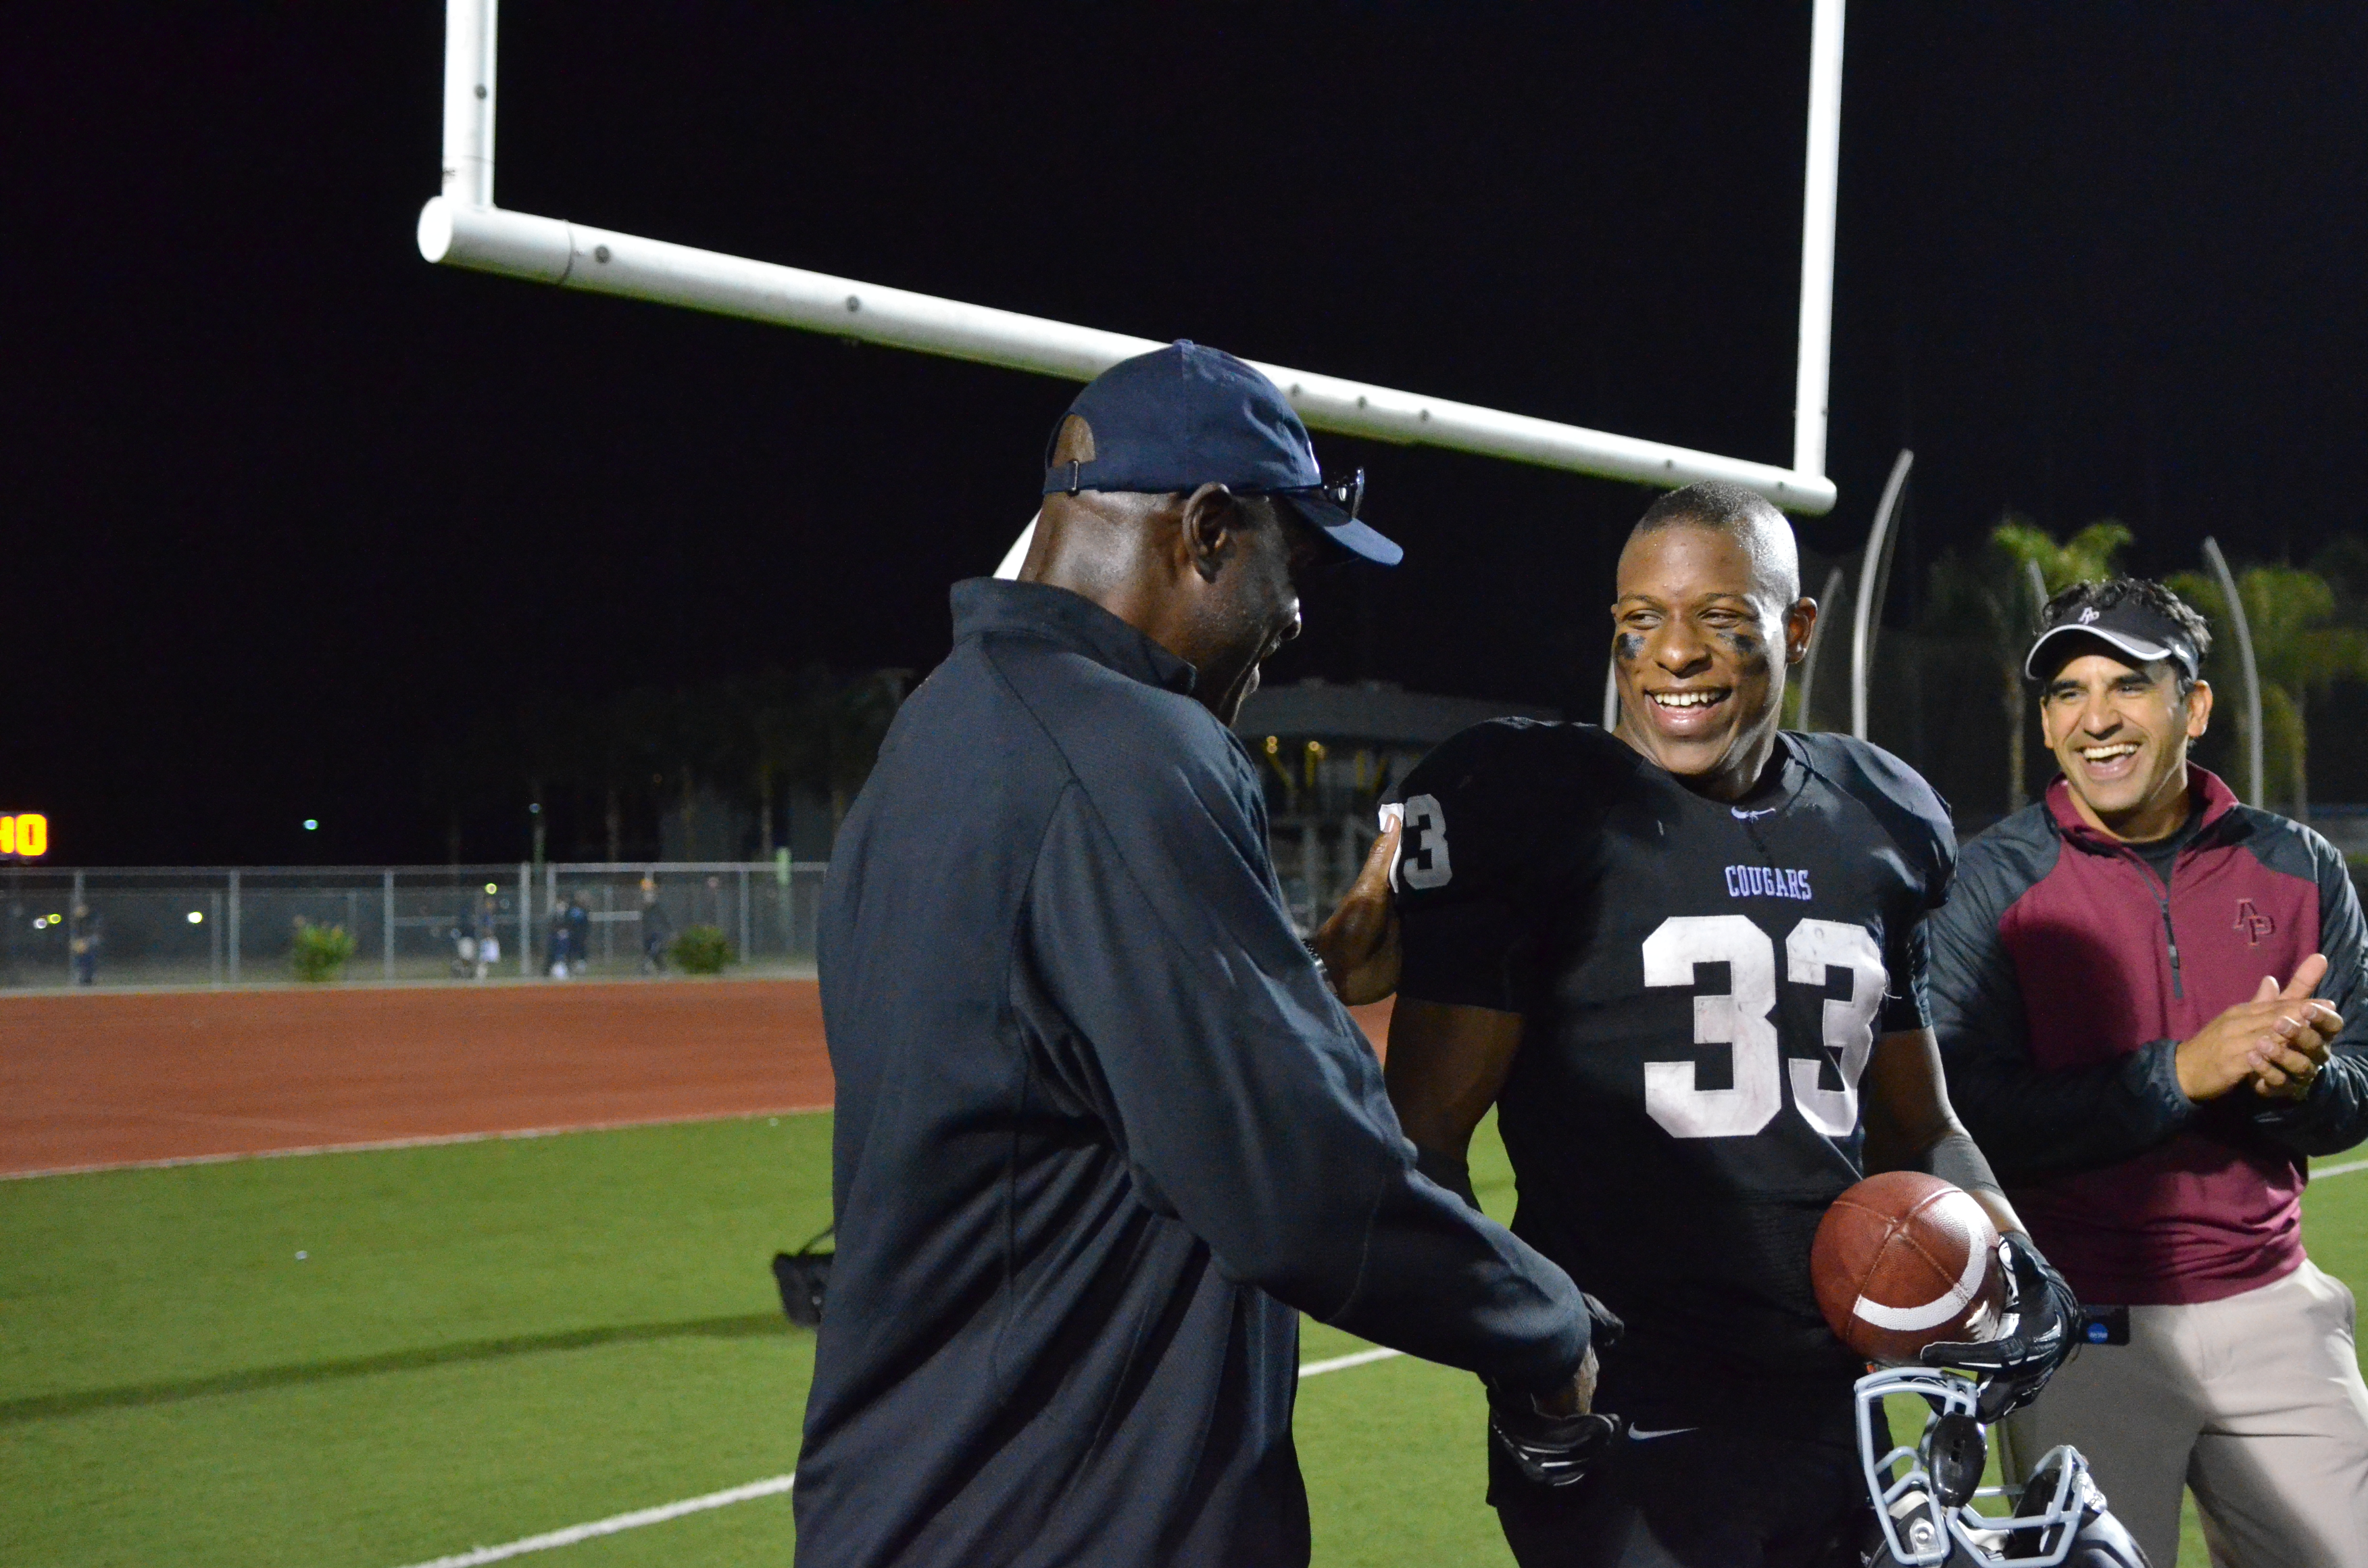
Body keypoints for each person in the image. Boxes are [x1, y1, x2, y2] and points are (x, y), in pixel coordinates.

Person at [795, 342, 1602, 1568]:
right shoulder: (1132, 750)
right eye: (1297, 561)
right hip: (1065, 1518)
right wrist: (1549, 1330)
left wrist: (1291, 974)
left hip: (921, 1498)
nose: (1294, 614)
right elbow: (1304, 1186)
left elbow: (1080, 1057)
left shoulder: (944, 729)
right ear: (1210, 528)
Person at [1383, 481, 2080, 1568]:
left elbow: (1918, 1123)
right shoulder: (1541, 807)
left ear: (1796, 629)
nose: (1672, 654)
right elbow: (1419, 1144)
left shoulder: (1878, 821)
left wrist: (2012, 1250)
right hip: (1625, 1414)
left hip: (1838, 1401)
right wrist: (1526, 1355)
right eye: (1638, 622)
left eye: (1717, 617)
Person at [1928, 577, 2368, 1568]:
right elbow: (1965, 1116)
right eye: (2065, 694)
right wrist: (2181, 1072)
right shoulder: (1992, 884)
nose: (2095, 719)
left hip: (2273, 1312)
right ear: (2043, 724)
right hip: (2084, 1334)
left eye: (2126, 685)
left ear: (2194, 706)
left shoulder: (2296, 866)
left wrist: (2302, 1086)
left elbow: (2359, 1090)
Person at [637, 877, 671, 973]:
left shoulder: (658, 907)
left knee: (654, 951)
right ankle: (662, 970)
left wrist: (669, 931)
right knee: (652, 952)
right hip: (648, 934)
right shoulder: (645, 908)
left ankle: (649, 966)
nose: (648, 896)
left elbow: (665, 920)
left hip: (656, 933)